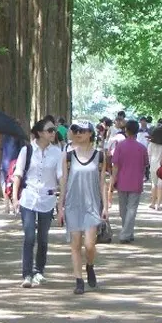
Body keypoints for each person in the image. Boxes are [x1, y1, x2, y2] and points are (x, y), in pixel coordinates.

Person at [13, 117, 63, 288]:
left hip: (47, 199)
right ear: (40, 133)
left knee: (43, 238)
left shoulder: (57, 152)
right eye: (50, 130)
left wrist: (61, 201)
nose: (53, 133)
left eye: (54, 130)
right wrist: (14, 198)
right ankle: (26, 274)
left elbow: (61, 177)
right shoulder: (26, 150)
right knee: (29, 236)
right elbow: (18, 174)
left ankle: (39, 270)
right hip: (28, 197)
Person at [58, 121, 107, 294]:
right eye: (75, 130)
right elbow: (63, 180)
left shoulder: (100, 156)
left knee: (90, 244)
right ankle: (78, 280)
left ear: (90, 134)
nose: (78, 133)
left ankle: (90, 265)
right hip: (73, 204)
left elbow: (102, 182)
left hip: (92, 204)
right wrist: (60, 206)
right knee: (75, 244)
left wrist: (105, 206)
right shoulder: (68, 156)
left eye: (83, 130)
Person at [109, 119, 149, 243]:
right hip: (136, 182)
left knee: (123, 209)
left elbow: (115, 165)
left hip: (122, 181)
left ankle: (125, 233)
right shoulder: (142, 148)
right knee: (131, 208)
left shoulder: (120, 146)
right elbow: (146, 164)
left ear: (126, 130)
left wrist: (112, 181)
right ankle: (128, 232)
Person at [0, 133, 22, 215]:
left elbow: (1, 148)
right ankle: (14, 205)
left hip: (4, 162)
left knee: (4, 183)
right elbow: (21, 150)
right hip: (13, 164)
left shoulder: (4, 136)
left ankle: (6, 206)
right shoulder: (18, 137)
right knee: (13, 184)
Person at [148, 121, 162, 210]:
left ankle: (152, 203)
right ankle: (159, 204)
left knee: (154, 184)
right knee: (161, 185)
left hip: (153, 164)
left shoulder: (151, 143)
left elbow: (149, 154)